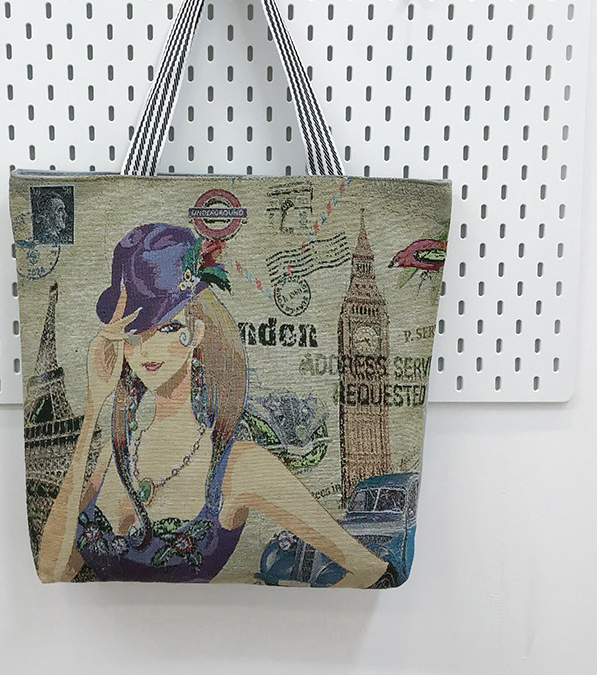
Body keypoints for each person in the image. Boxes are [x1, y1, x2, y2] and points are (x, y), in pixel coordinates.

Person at [37, 223, 389, 586]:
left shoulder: (240, 466)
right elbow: (52, 570)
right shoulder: (112, 455)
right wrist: (95, 404)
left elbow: (369, 568)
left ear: (197, 331)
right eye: (134, 333)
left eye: (166, 328)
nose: (147, 348)